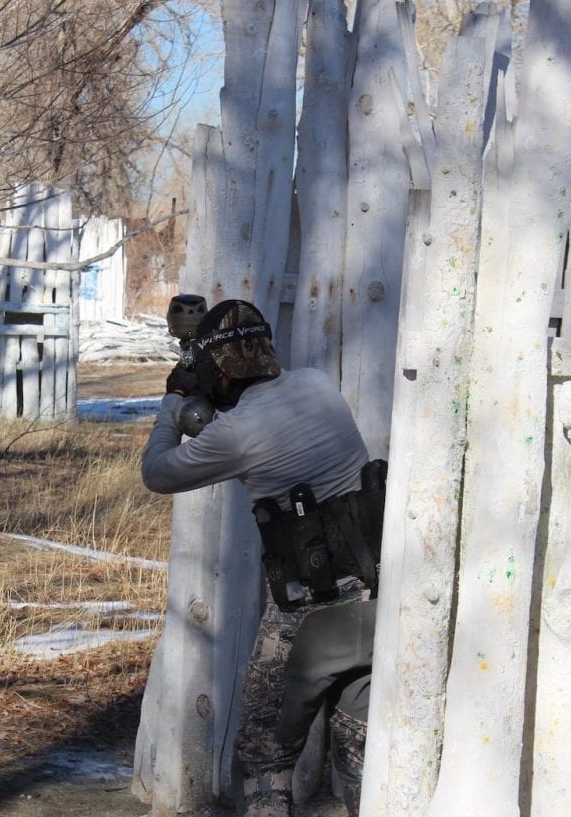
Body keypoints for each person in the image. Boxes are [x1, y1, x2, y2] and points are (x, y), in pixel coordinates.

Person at [141, 299, 384, 817]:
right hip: (376, 596)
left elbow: (158, 473)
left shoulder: (233, 433)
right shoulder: (318, 385)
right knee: (360, 745)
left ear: (218, 370)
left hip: (309, 611)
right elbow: (274, 428)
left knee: (264, 755)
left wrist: (174, 402)